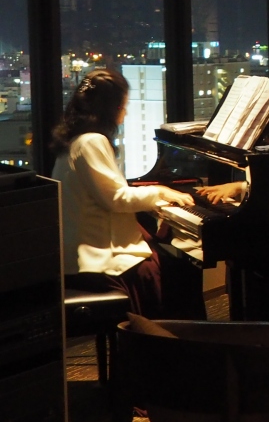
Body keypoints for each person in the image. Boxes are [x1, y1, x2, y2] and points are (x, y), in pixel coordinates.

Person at [51, 69, 205, 319]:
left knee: (174, 265)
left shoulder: (73, 141)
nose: (126, 112)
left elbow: (107, 193)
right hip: (100, 261)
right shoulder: (91, 142)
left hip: (80, 253)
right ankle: (165, 338)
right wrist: (160, 193)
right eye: (124, 105)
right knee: (183, 274)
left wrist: (153, 198)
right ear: (111, 108)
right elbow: (117, 199)